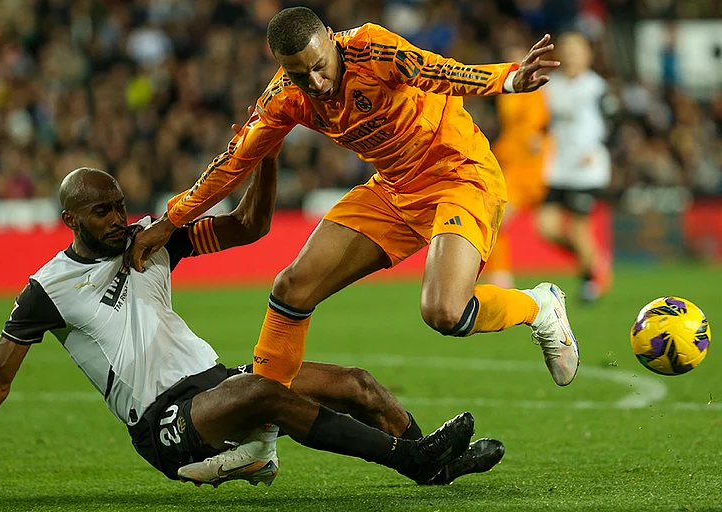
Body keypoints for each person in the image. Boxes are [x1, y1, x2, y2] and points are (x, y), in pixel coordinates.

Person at [0, 162, 503, 488]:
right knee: (265, 391)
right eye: (103, 212)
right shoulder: (47, 289)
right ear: (70, 219)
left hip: (217, 386)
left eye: (120, 206)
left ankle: (434, 465)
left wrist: (265, 153)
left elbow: (248, 225)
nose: (119, 220)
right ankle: (413, 459)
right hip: (165, 425)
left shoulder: (152, 239)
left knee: (356, 384)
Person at [131, 7, 579, 405]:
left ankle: (539, 306)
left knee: (444, 311)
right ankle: (260, 434)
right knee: (292, 288)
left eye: (319, 67)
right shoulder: (286, 96)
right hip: (393, 189)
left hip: (459, 173)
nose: (315, 83)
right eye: (300, 75)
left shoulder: (371, 48)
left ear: (331, 38)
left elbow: (436, 71)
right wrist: (171, 220)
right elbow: (234, 161)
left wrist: (507, 78)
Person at [537, 32, 612, 303]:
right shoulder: (549, 86)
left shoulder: (596, 87)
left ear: (587, 55)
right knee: (546, 227)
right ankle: (594, 260)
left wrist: (598, 147)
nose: (571, 55)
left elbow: (614, 123)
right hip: (557, 166)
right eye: (567, 50)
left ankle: (590, 282)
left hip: (586, 168)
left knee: (580, 229)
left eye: (576, 50)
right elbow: (543, 122)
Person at [483, 42, 552, 289]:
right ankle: (500, 275)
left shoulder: (534, 89)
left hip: (534, 168)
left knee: (549, 227)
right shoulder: (506, 92)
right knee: (496, 219)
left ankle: (591, 265)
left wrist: (534, 136)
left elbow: (538, 123)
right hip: (515, 167)